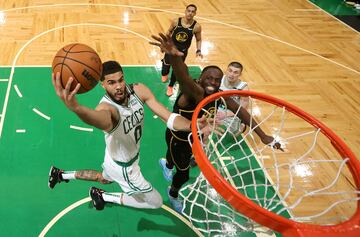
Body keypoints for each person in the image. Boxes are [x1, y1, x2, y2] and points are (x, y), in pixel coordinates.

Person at [48, 60, 209, 211]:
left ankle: (60, 174)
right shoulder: (108, 108)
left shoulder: (138, 90)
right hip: (125, 168)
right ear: (102, 84)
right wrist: (77, 108)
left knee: (103, 178)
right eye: (111, 83)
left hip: (112, 157)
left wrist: (191, 125)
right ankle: (104, 196)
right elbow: (97, 118)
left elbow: (167, 116)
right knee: (156, 202)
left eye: (120, 80)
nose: (118, 86)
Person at [150, 33, 282, 213]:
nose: (213, 82)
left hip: (191, 136)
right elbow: (184, 78)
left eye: (217, 79)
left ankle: (167, 164)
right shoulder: (194, 92)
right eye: (209, 78)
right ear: (200, 79)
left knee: (173, 159)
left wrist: (264, 135)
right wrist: (174, 57)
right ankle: (173, 194)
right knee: (183, 173)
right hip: (179, 138)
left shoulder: (218, 95)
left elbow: (242, 113)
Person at [160, 4, 203, 97]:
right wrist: (164, 43)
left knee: (177, 69)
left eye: (192, 11)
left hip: (182, 52)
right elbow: (169, 32)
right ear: (185, 11)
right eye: (189, 11)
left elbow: (199, 39)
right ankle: (164, 73)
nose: (190, 13)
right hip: (171, 49)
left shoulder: (196, 27)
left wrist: (198, 50)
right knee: (165, 65)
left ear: (195, 13)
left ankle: (171, 86)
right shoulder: (176, 21)